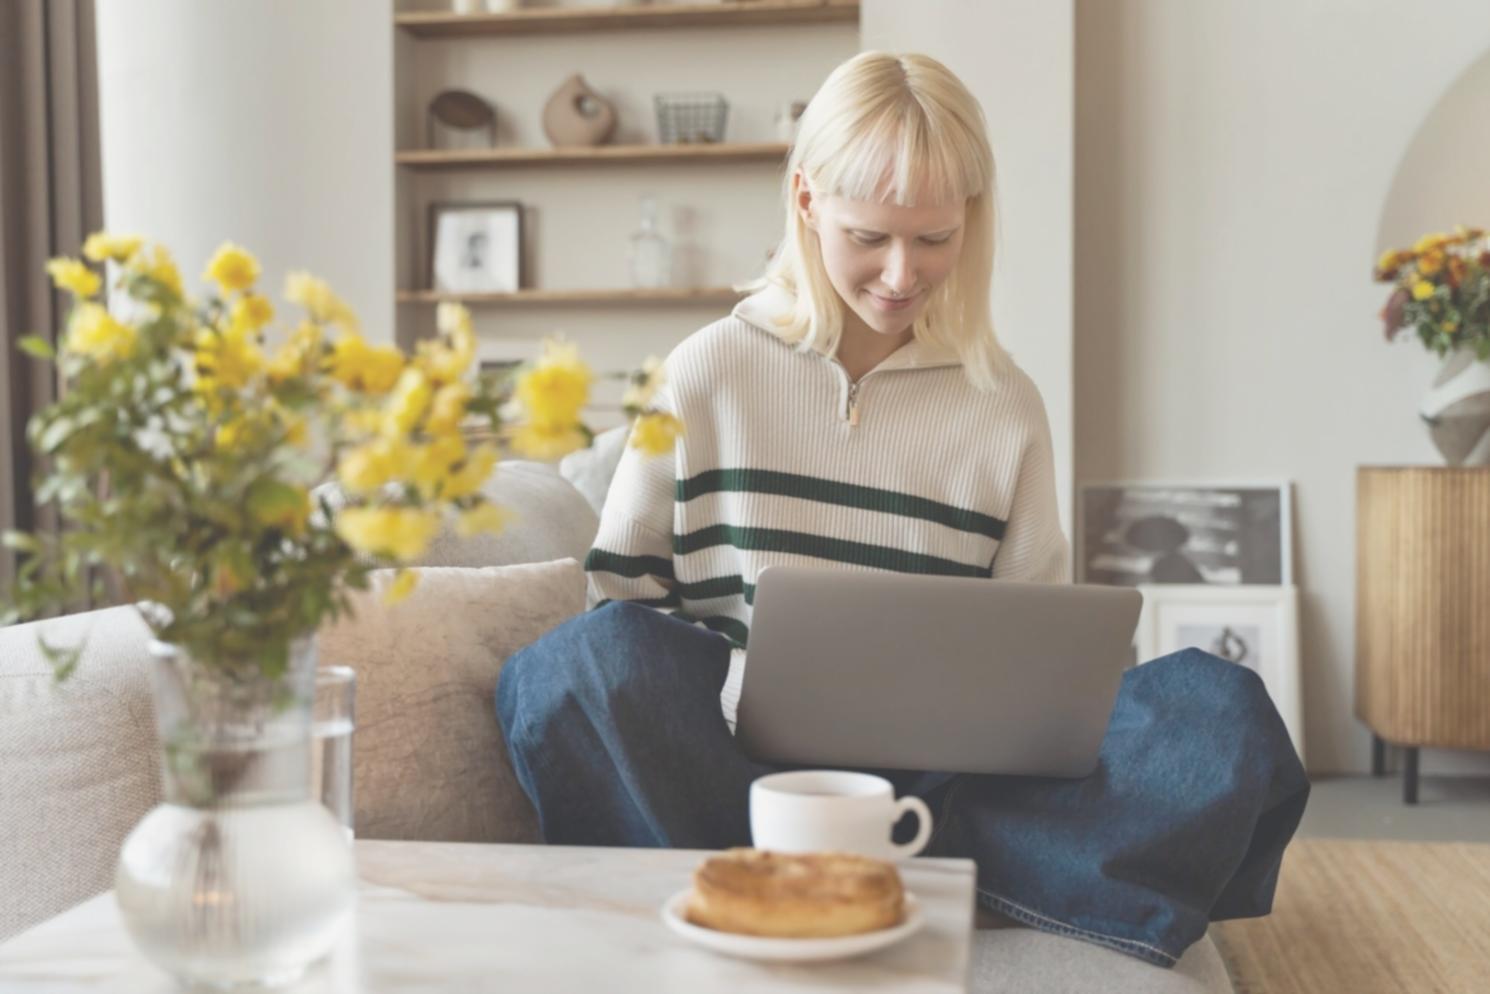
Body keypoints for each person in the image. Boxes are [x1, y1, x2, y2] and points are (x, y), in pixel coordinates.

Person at [495, 51, 1308, 967]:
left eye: (933, 239)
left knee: (1218, 711)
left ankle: (873, 876)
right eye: (868, 235)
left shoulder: (1004, 404)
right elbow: (625, 611)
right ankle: (800, 875)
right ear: (805, 201)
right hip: (736, 778)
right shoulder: (704, 371)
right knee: (572, 669)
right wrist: (737, 691)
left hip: (951, 791)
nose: (899, 273)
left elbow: (1049, 660)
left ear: (972, 220)